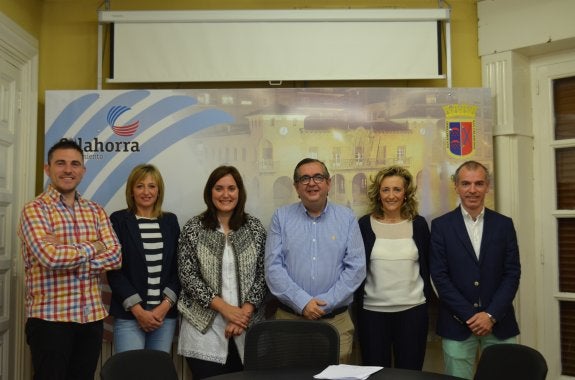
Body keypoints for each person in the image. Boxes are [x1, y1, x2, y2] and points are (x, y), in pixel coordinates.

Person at [17, 138, 121, 380]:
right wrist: (94, 246)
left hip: (91, 318)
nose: (68, 170)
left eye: (75, 164)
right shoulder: (34, 209)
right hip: (50, 320)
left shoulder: (95, 210)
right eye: (61, 163)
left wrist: (68, 251)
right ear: (48, 168)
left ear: (83, 171)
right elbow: (49, 257)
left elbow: (115, 255)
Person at [265, 157, 366, 364]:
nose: (312, 183)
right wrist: (302, 302)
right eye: (304, 178)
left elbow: (356, 268)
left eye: (318, 177)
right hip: (289, 322)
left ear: (328, 183)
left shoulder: (347, 218)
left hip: (335, 322)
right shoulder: (280, 217)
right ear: (296, 187)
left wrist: (323, 304)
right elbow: (273, 269)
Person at [429, 160, 521, 380]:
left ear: (487, 186)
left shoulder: (504, 224)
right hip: (457, 324)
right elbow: (440, 277)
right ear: (456, 187)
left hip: (499, 323)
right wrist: (471, 316)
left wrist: (490, 315)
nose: (472, 190)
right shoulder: (441, 226)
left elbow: (512, 273)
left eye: (479, 184)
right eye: (466, 184)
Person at [177, 165, 267, 380]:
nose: (225, 194)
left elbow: (264, 273)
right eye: (219, 188)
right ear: (210, 193)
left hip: (247, 325)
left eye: (231, 188)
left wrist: (242, 314)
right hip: (204, 329)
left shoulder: (254, 227)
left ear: (239, 192)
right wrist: (226, 309)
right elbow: (188, 276)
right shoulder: (193, 228)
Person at [354, 166, 432, 370]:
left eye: (397, 189)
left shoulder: (419, 225)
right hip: (372, 314)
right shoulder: (363, 225)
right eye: (385, 190)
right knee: (375, 374)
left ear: (405, 193)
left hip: (412, 312)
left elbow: (428, 267)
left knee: (410, 373)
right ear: (378, 194)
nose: (391, 195)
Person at [107, 164, 180, 353]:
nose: (146, 192)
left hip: (163, 318)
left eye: (152, 186)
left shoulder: (170, 221)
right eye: (140, 186)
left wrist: (163, 307)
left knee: (156, 372)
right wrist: (139, 312)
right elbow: (115, 271)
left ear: (159, 190)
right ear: (131, 191)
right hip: (130, 316)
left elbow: (178, 269)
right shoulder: (119, 220)